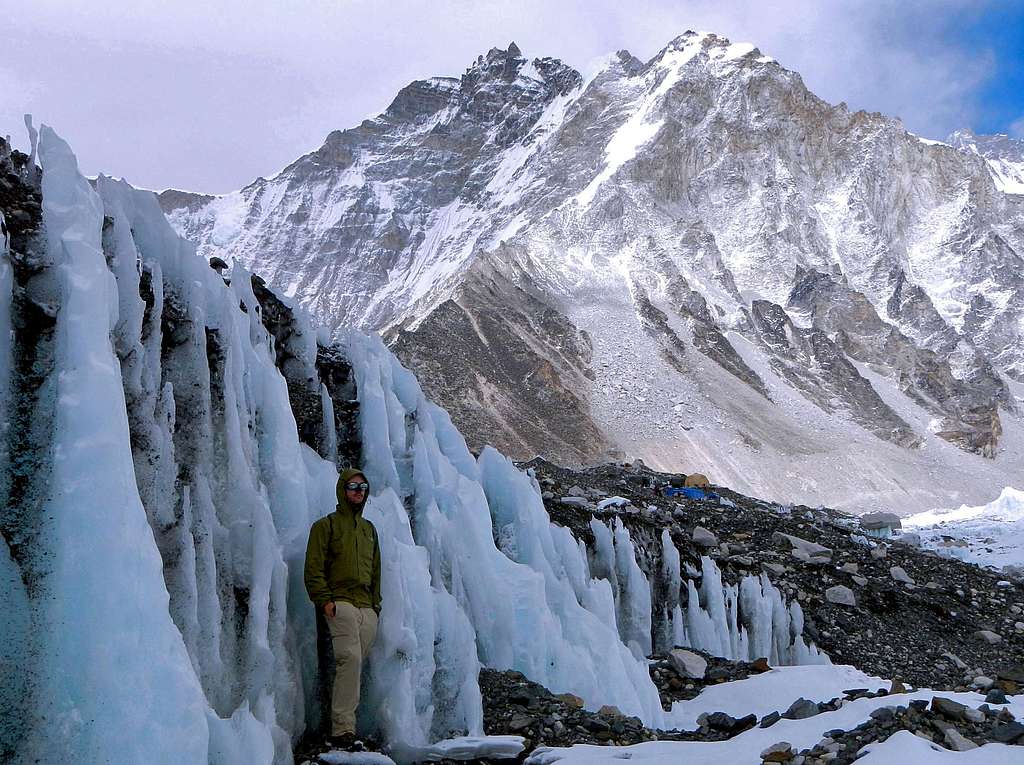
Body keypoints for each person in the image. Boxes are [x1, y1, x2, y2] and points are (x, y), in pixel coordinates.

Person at [304, 467, 382, 748]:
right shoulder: (326, 526)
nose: (357, 492)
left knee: (354, 664)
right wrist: (325, 601)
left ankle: (345, 724)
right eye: (352, 487)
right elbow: (313, 568)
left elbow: (376, 571)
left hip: (366, 609)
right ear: (342, 489)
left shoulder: (369, 530)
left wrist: (376, 606)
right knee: (349, 659)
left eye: (362, 488)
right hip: (341, 604)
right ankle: (342, 729)